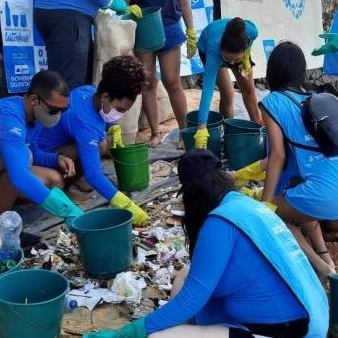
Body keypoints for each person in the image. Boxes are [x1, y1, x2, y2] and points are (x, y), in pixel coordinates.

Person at [84, 149, 329, 338]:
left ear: (191, 194)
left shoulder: (219, 222)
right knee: (184, 274)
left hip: (290, 331)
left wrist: (134, 330)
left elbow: (191, 300)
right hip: (309, 315)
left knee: (160, 335)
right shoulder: (243, 204)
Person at [35, 56, 149, 227]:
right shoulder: (85, 124)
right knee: (96, 149)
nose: (120, 115)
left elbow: (102, 119)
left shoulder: (88, 91)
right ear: (105, 97)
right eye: (120, 110)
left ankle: (75, 177)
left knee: (101, 144)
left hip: (57, 143)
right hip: (42, 155)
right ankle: (65, 182)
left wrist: (113, 126)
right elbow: (94, 175)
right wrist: (126, 204)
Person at [259, 41, 338, 280]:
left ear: (273, 71)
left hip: (325, 195)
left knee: (277, 215)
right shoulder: (313, 98)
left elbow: (277, 155)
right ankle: (327, 258)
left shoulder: (272, 102)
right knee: (298, 193)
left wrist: (265, 204)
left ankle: (320, 268)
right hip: (330, 187)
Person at [0, 70, 83, 227]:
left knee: (55, 180)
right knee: (17, 170)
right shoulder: (9, 117)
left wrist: (56, 159)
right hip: (11, 172)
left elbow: (34, 151)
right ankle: (4, 229)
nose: (57, 115)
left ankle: (11, 217)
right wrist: (66, 210)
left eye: (62, 110)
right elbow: (19, 175)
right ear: (34, 100)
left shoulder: (34, 116)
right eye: (53, 110)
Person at [126, 0, 196, 148]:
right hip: (144, 23)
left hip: (169, 24)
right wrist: (126, 8)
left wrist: (191, 31)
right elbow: (124, 3)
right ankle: (155, 132)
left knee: (172, 82)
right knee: (147, 82)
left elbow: (184, 2)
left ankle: (185, 131)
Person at [33, 0, 141, 90]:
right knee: (69, 85)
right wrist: (114, 3)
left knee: (72, 82)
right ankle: (66, 115)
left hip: (64, 14)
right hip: (68, 15)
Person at [194, 17, 262, 149]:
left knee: (249, 89)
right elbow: (207, 91)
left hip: (236, 50)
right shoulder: (214, 50)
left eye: (235, 60)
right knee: (228, 94)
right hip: (208, 48)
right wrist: (201, 126)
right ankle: (230, 133)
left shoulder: (252, 32)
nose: (231, 64)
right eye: (228, 60)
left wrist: (246, 55)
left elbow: (251, 36)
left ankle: (257, 129)